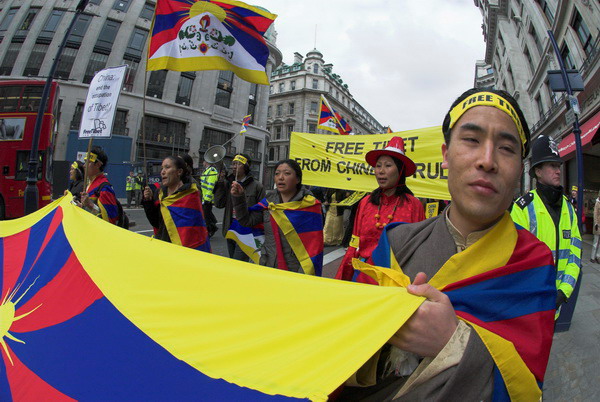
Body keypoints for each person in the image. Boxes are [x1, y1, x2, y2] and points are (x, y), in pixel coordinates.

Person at [338, 89, 556, 400]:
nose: (487, 160)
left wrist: (453, 343)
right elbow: (343, 349)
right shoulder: (396, 244)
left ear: (520, 169)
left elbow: (525, 386)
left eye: (507, 148)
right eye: (471, 140)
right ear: (444, 155)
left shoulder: (533, 263)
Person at [335, 136, 425, 284]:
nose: (381, 171)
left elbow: (418, 247)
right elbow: (355, 242)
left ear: (400, 170)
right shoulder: (366, 202)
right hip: (364, 275)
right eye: (378, 166)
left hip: (397, 279)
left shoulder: (413, 205)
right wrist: (344, 276)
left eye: (388, 166)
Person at [511, 135, 581, 313]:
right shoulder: (523, 208)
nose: (558, 171)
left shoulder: (568, 207)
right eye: (552, 165)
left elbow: (575, 254)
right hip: (529, 304)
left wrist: (563, 292)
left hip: (556, 304)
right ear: (538, 171)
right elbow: (514, 260)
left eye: (558, 166)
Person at [231, 159, 323, 275]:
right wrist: (239, 198)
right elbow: (246, 221)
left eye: (287, 173)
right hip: (267, 265)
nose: (281, 177)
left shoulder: (309, 206)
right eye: (277, 173)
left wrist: (305, 275)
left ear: (298, 179)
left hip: (294, 270)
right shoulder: (269, 203)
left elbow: (315, 246)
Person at [142, 156, 210, 252]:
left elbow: (194, 231)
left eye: (167, 167)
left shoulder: (190, 194)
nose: (162, 172)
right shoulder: (160, 193)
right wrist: (148, 201)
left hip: (184, 250)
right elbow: (156, 222)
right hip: (163, 246)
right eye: (162, 168)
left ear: (179, 172)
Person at [214, 153, 265, 262]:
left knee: (238, 262)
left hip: (246, 232)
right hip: (230, 228)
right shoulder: (228, 183)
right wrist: (220, 183)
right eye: (233, 164)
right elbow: (219, 204)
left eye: (238, 164)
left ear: (246, 167)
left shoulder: (257, 186)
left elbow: (262, 211)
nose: (234, 167)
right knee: (233, 261)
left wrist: (250, 223)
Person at [80, 146, 119, 225]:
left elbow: (110, 221)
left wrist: (90, 205)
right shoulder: (90, 184)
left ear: (98, 164)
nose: (84, 165)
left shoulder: (105, 188)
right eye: (84, 162)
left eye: (88, 162)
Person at [201, 160, 219, 237]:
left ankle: (210, 230)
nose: (202, 163)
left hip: (207, 198)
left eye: (203, 161)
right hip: (204, 197)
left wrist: (207, 199)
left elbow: (210, 186)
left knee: (206, 216)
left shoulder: (212, 171)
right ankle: (213, 225)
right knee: (206, 214)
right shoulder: (207, 170)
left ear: (206, 162)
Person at [592, 192, 600, 264]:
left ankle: (598, 256)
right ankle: (592, 257)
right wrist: (596, 223)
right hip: (598, 225)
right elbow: (595, 214)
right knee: (595, 242)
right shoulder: (597, 203)